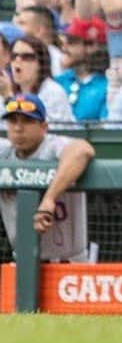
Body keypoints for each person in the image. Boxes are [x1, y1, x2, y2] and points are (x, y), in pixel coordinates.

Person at [0, 93, 94, 261]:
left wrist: (49, 199)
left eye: (27, 121)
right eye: (13, 121)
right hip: (23, 260)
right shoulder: (5, 152)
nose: (18, 128)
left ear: (44, 127)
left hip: (69, 263)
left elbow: (83, 150)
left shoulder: (53, 145)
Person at [0, 34, 74, 126]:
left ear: (40, 63)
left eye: (26, 57)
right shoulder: (6, 91)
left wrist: (8, 98)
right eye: (14, 56)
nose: (17, 60)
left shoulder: (53, 91)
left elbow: (51, 132)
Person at [54, 15, 109, 122]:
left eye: (71, 42)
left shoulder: (107, 87)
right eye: (63, 43)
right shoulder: (57, 82)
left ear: (91, 46)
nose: (64, 48)